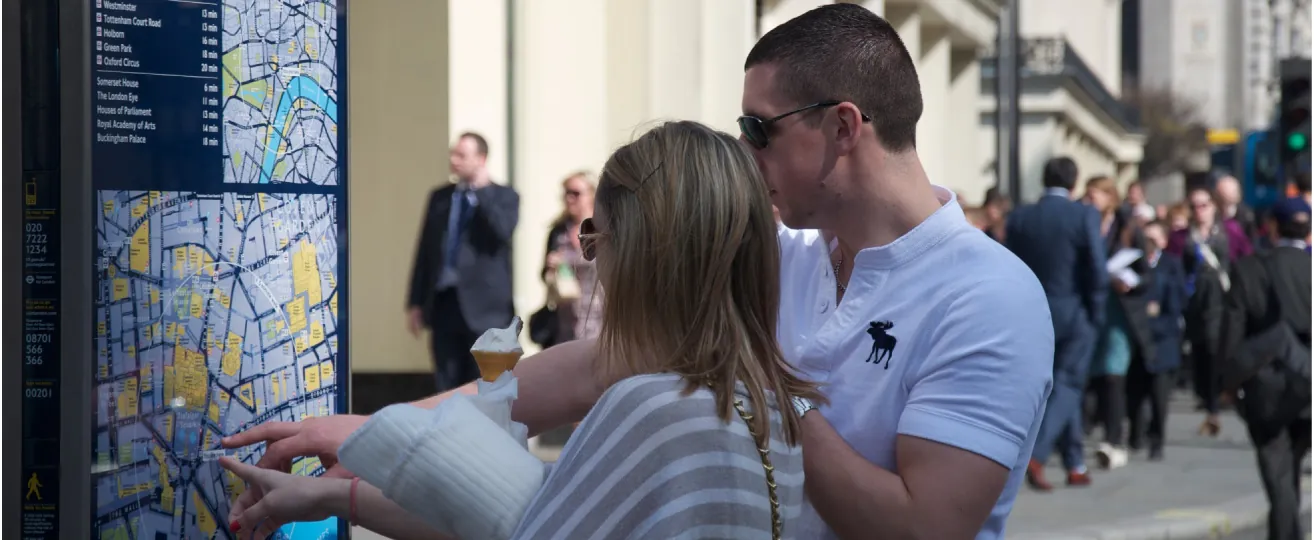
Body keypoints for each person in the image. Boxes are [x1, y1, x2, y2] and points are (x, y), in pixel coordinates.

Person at [226, 5, 1056, 539]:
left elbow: (924, 530)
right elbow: (597, 368)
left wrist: (762, 382)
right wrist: (377, 431)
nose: (744, 153)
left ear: (843, 126)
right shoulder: (779, 257)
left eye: (758, 128)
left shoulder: (989, 298)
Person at [222, 121, 826, 539]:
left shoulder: (650, 409)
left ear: (639, 252)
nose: (592, 257)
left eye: (596, 237)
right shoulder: (769, 401)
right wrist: (330, 494)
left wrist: (373, 448)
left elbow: (528, 528)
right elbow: (529, 510)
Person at [1005, 157, 1107, 490]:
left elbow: (1008, 263)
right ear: (1075, 183)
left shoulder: (1021, 217)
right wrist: (1096, 312)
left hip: (1031, 311)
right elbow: (1097, 268)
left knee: (1059, 386)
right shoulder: (1084, 215)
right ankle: (1037, 455)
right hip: (1074, 311)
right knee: (1069, 383)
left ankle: (1075, 462)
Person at [1219, 197, 1311, 540]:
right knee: (1290, 469)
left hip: (1266, 386)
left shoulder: (1249, 269)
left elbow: (1231, 332)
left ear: (1271, 226)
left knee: (1278, 475)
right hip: (1309, 386)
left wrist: (1226, 383)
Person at [406, 133, 520, 392]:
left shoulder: (504, 196)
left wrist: (483, 192)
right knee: (447, 384)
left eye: (461, 155)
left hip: (486, 310)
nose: (454, 160)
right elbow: (425, 251)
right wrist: (415, 302)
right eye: (453, 154)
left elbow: (502, 232)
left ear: (481, 159)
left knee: (486, 385)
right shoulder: (440, 197)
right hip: (445, 304)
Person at [1168, 185, 1253, 436]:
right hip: (1194, 303)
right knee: (1200, 352)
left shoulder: (1230, 232)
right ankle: (1207, 398)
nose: (1199, 211)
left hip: (1222, 301)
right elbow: (1171, 267)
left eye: (1204, 205)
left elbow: (1247, 260)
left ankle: (1215, 405)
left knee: (1217, 349)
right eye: (1194, 207)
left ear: (1213, 206)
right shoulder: (1181, 237)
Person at [1081, 176, 1138, 469]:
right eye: (1087, 196)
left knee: (1113, 373)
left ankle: (1114, 439)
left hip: (1119, 308)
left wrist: (1131, 282)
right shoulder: (1081, 224)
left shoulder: (1126, 226)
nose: (1089, 202)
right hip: (1090, 307)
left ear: (1109, 197)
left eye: (1095, 196)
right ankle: (1086, 431)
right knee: (1089, 373)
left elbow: (1145, 267)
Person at [1124, 220, 1186, 461]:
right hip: (1137, 341)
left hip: (1162, 341)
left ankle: (1157, 439)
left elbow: (1176, 304)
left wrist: (1156, 318)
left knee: (1159, 397)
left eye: (1154, 237)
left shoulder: (1170, 265)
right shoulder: (1131, 264)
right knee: (1135, 396)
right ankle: (1136, 435)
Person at [533, 171, 603, 348]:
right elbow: (544, 276)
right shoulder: (558, 231)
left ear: (592, 194)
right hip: (565, 320)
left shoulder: (603, 228)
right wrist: (551, 266)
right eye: (566, 193)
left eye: (575, 193)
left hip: (599, 316)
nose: (569, 198)